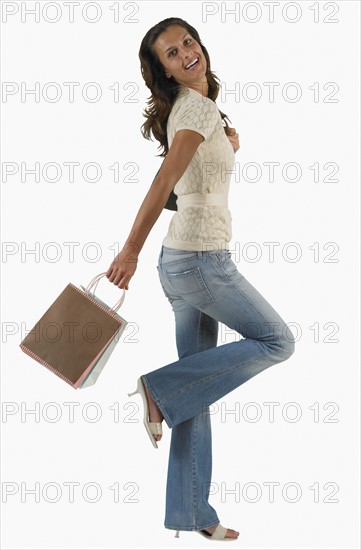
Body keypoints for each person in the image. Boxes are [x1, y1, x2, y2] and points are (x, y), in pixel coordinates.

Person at [106, 17, 295, 542]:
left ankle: (195, 514)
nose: (186, 53)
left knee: (199, 386)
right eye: (171, 52)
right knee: (278, 341)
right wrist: (129, 251)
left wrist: (224, 144)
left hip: (185, 260)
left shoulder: (199, 113)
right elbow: (163, 179)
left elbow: (182, 189)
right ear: (163, 70)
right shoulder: (193, 110)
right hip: (200, 262)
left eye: (187, 42)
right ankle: (157, 390)